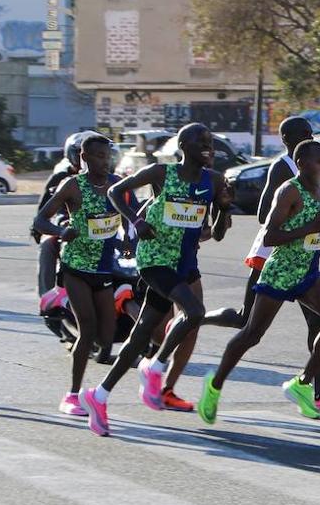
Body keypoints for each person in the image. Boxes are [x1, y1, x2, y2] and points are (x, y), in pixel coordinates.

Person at [79, 123, 233, 436]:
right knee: (195, 311)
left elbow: (216, 233)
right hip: (155, 259)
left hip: (186, 261)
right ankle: (155, 365)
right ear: (183, 146)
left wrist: (225, 207)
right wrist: (135, 220)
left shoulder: (214, 180)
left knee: (141, 333)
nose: (210, 148)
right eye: (202, 142)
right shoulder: (161, 173)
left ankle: (99, 396)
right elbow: (114, 191)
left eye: (212, 143)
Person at [205, 115, 320, 418]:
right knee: (252, 334)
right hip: (281, 271)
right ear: (301, 164)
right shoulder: (289, 190)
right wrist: (312, 226)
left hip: (308, 272)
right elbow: (271, 235)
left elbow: (316, 229)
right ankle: (215, 384)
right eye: (318, 161)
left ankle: (304, 383)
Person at [32, 134, 124, 416]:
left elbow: (125, 218)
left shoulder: (116, 184)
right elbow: (39, 220)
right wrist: (61, 231)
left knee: (106, 341)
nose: (104, 162)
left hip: (105, 268)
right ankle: (72, 395)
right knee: (88, 330)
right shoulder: (72, 185)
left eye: (107, 156)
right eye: (98, 157)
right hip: (76, 269)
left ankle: (92, 390)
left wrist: (127, 241)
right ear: (83, 158)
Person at [34, 131, 87, 299]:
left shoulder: (110, 180)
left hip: (100, 230)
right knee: (47, 245)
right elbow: (43, 212)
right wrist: (54, 228)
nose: (86, 159)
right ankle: (47, 297)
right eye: (80, 154)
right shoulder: (61, 179)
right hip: (64, 227)